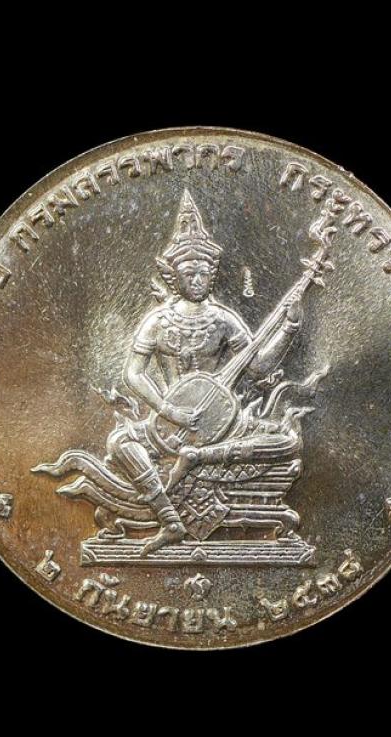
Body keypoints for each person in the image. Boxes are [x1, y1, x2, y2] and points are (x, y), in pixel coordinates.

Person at [107, 190, 303, 556]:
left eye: (204, 273)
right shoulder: (157, 322)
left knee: (288, 441)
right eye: (189, 273)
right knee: (119, 442)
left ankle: (200, 458)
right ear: (173, 277)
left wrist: (289, 328)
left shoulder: (224, 320)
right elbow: (133, 374)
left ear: (212, 275)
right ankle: (169, 521)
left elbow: (257, 367)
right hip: (170, 425)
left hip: (226, 424)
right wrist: (168, 410)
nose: (197, 279)